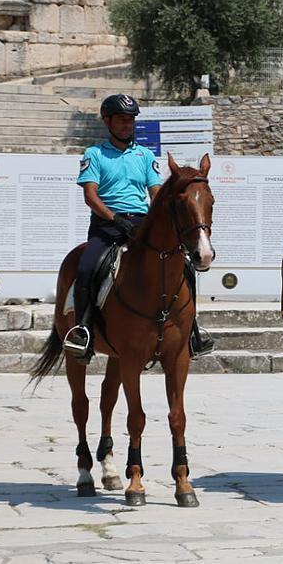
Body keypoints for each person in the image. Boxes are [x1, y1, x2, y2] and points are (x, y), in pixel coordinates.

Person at [64, 93, 214, 363]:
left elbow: (156, 192)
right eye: (121, 120)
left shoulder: (145, 155)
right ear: (107, 121)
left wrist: (159, 217)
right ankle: (83, 330)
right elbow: (90, 196)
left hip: (141, 224)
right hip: (106, 226)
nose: (127, 125)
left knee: (186, 267)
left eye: (131, 120)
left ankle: (193, 332)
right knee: (87, 267)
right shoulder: (94, 154)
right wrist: (113, 217)